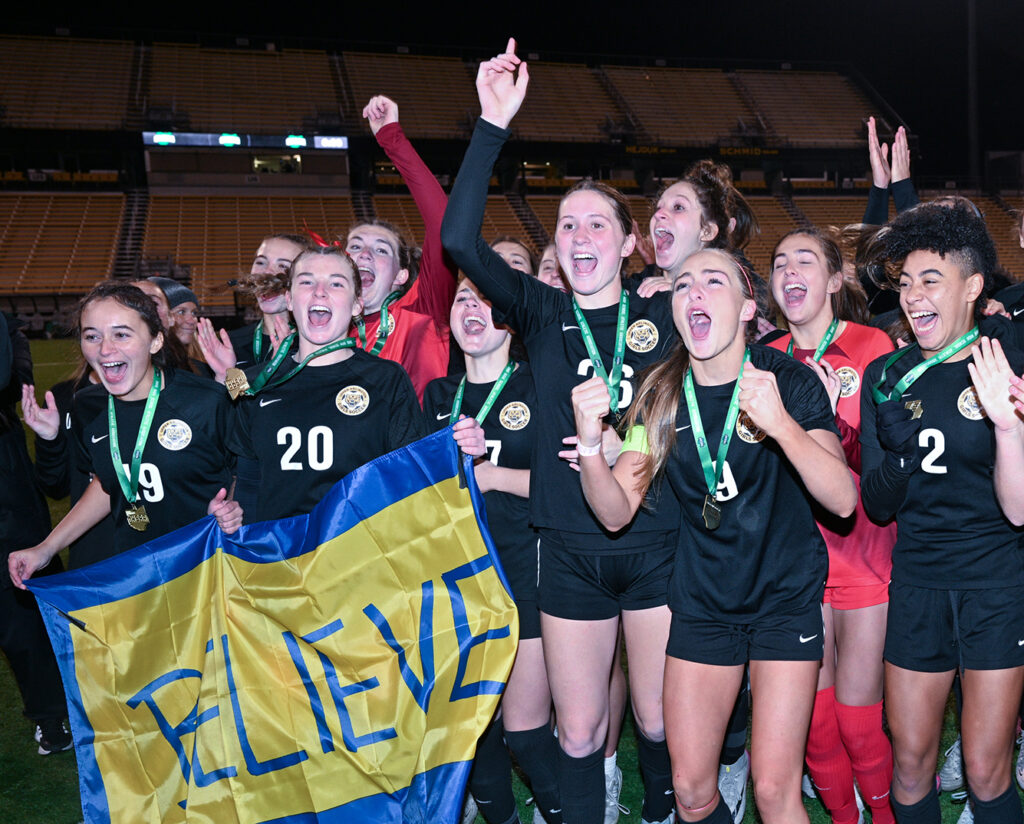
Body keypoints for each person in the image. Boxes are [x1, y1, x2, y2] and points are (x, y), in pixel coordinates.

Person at [442, 40, 679, 824]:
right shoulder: (540, 312)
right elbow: (458, 244)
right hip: (568, 548)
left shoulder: (659, 314)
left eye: (597, 224)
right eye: (567, 224)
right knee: (577, 730)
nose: (580, 236)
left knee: (654, 719)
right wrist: (490, 125)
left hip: (651, 543)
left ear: (628, 241)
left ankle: (663, 807)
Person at [572, 246, 856, 823]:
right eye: (682, 286)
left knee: (776, 791)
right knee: (693, 791)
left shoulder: (787, 380)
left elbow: (843, 498)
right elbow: (614, 512)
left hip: (784, 600)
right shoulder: (660, 392)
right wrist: (587, 447)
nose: (694, 293)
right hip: (704, 603)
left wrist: (779, 424)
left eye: (713, 281)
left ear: (750, 307)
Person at [860, 202, 1024, 824]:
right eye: (904, 284)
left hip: (995, 585)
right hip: (919, 582)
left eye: (931, 280)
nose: (912, 295)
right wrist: (899, 457)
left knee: (985, 769)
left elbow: (1019, 511)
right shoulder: (888, 375)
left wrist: (1009, 427)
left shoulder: (1006, 360)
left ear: (973, 287)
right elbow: (876, 506)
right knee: (910, 762)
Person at [766, 227, 897, 824]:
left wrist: (824, 420)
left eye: (805, 262)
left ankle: (883, 813)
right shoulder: (761, 356)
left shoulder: (874, 348)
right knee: (815, 723)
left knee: (856, 716)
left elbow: (885, 465)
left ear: (835, 278)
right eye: (779, 264)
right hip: (793, 563)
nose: (790, 273)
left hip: (863, 552)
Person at [423, 278, 560, 824]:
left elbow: (569, 485)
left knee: (525, 733)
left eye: (485, 299)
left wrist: (492, 475)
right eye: (461, 299)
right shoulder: (436, 395)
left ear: (509, 317)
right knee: (472, 731)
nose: (471, 308)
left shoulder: (537, 387)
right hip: (453, 579)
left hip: (522, 569)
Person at [224, 244, 481, 524]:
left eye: (336, 283)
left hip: (358, 557)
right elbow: (247, 481)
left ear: (357, 303)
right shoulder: (255, 385)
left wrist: (460, 450)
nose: (319, 291)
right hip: (278, 555)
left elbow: (410, 477)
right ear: (288, 298)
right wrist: (231, 516)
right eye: (306, 281)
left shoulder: (386, 380)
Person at [10, 281, 240, 585]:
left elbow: (248, 468)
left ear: (155, 341)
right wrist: (46, 548)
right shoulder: (87, 406)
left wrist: (233, 507)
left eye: (121, 334)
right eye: (91, 336)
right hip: (136, 572)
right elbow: (108, 483)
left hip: (207, 568)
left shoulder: (206, 400)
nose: (105, 349)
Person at [345, 95, 458, 401]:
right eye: (354, 246)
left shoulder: (423, 310)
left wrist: (391, 137)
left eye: (381, 250)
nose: (364, 254)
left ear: (401, 276)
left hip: (412, 450)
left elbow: (441, 222)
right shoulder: (322, 329)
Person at [0, 311, 72, 755]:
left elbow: (8, 380)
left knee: (20, 609)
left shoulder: (7, 326)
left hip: (7, 495)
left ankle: (50, 714)